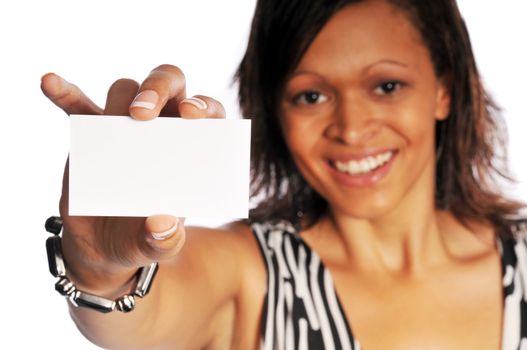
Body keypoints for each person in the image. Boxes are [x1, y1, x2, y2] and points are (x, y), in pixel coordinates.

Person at [40, 0, 526, 349]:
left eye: (387, 85)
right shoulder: (249, 272)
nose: (352, 130)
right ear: (277, 111)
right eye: (311, 95)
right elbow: (141, 322)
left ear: (444, 88)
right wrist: (100, 269)